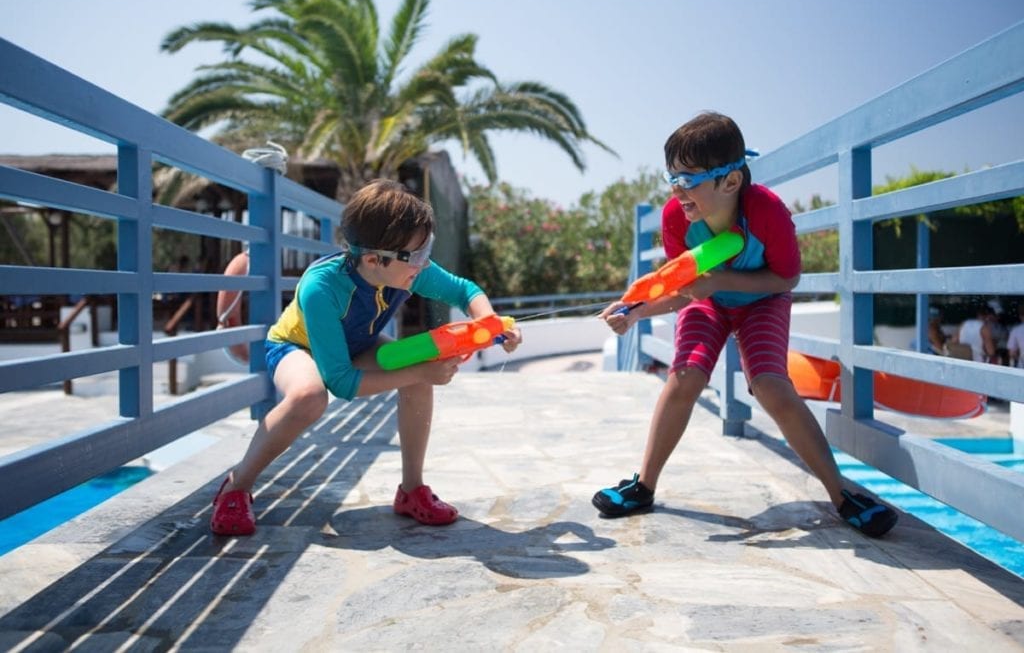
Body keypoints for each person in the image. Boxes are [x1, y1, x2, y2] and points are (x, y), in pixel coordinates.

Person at [591, 112, 897, 538]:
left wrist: (720, 280)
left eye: (690, 178)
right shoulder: (677, 219)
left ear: (730, 181)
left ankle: (842, 494)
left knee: (772, 386)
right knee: (683, 378)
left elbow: (786, 278)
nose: (678, 189)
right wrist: (636, 311)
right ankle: (643, 485)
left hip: (763, 302)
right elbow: (682, 289)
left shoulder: (766, 212)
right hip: (710, 306)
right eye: (672, 178)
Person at [211, 179, 522, 535]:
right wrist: (422, 370)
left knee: (417, 378)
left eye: (428, 249)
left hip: (358, 342)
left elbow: (464, 290)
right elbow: (341, 383)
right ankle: (236, 487)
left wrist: (493, 325)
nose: (424, 263)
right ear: (374, 258)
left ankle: (411, 490)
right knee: (309, 395)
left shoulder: (405, 267)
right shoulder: (321, 288)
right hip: (297, 347)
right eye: (418, 255)